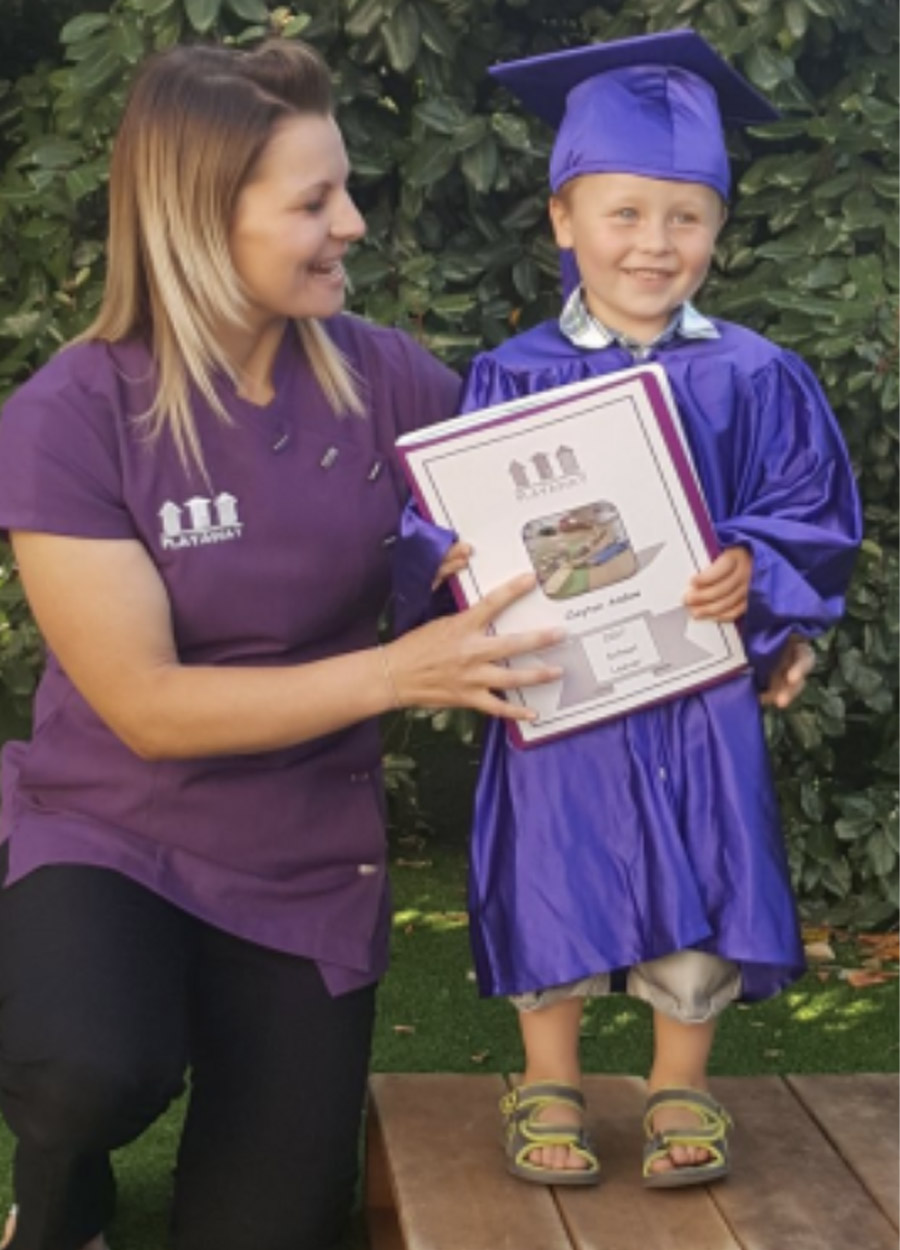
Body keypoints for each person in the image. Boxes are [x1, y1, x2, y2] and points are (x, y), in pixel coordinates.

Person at [0, 39, 567, 1250]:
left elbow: (557, 510)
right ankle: (61, 1191)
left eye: (344, 188)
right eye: (314, 201)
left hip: (306, 863)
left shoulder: (391, 382)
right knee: (85, 1066)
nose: (352, 223)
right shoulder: (71, 413)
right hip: (115, 827)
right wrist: (397, 672)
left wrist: (736, 616)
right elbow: (147, 705)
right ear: (203, 218)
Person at [398, 29, 861, 1189]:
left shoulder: (757, 374)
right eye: (625, 213)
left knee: (700, 868)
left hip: (693, 685)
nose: (657, 243)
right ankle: (547, 1074)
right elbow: (444, 515)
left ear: (718, 226)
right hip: (562, 681)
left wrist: (755, 571)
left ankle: (679, 1084)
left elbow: (808, 511)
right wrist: (446, 557)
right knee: (552, 858)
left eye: (687, 216)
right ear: (563, 221)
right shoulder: (511, 372)